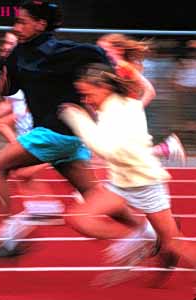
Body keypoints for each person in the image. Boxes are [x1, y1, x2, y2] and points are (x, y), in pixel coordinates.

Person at [0, 0, 115, 257]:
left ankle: (9, 236)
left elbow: (95, 54)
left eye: (22, 21)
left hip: (54, 130)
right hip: (68, 137)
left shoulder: (59, 50)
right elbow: (4, 83)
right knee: (92, 193)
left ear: (40, 24)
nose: (16, 27)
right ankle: (146, 230)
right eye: (16, 21)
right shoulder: (19, 54)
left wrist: (110, 78)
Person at [59, 63, 195, 287]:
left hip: (145, 183)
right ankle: (144, 237)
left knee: (174, 245)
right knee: (79, 218)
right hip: (121, 183)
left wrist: (78, 119)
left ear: (103, 87)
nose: (85, 100)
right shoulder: (115, 106)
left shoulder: (119, 111)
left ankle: (147, 238)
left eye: (87, 94)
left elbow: (107, 150)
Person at [97, 33, 186, 164]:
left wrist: (134, 110)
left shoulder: (124, 67)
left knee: (113, 152)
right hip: (117, 113)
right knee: (114, 152)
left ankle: (165, 148)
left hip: (123, 114)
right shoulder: (117, 67)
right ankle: (165, 148)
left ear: (119, 50)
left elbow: (150, 90)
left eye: (104, 50)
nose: (101, 53)